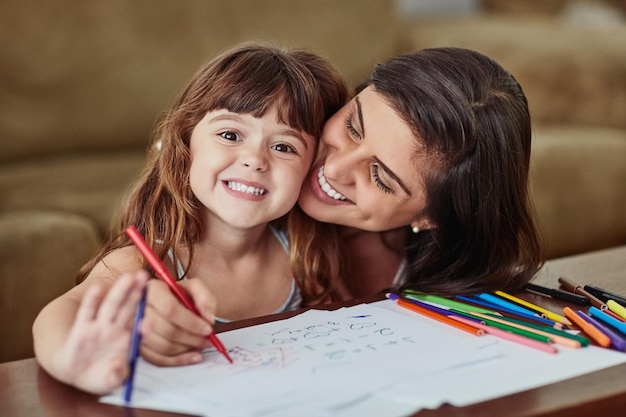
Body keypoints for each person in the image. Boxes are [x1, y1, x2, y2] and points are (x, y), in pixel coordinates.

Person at [135, 46, 544, 367]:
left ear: (433, 216)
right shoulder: (257, 204)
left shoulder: (445, 284)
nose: (335, 166)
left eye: (381, 176)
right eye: (352, 126)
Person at [32, 42, 348, 394]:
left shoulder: (304, 257)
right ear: (185, 143)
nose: (255, 159)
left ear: (309, 171)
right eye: (230, 135)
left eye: (284, 147)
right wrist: (70, 360)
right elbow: (60, 314)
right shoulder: (140, 262)